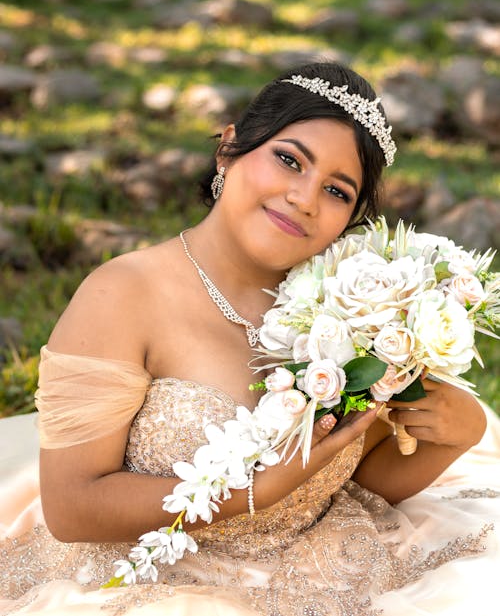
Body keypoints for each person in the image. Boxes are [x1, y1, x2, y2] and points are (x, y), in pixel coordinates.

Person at [0, 61, 499, 616]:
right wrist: (255, 491)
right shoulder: (122, 295)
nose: (305, 198)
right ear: (229, 149)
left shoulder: (355, 303)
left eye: (336, 190)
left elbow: (355, 482)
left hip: (330, 566)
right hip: (154, 583)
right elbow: (72, 508)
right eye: (289, 160)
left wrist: (454, 435)